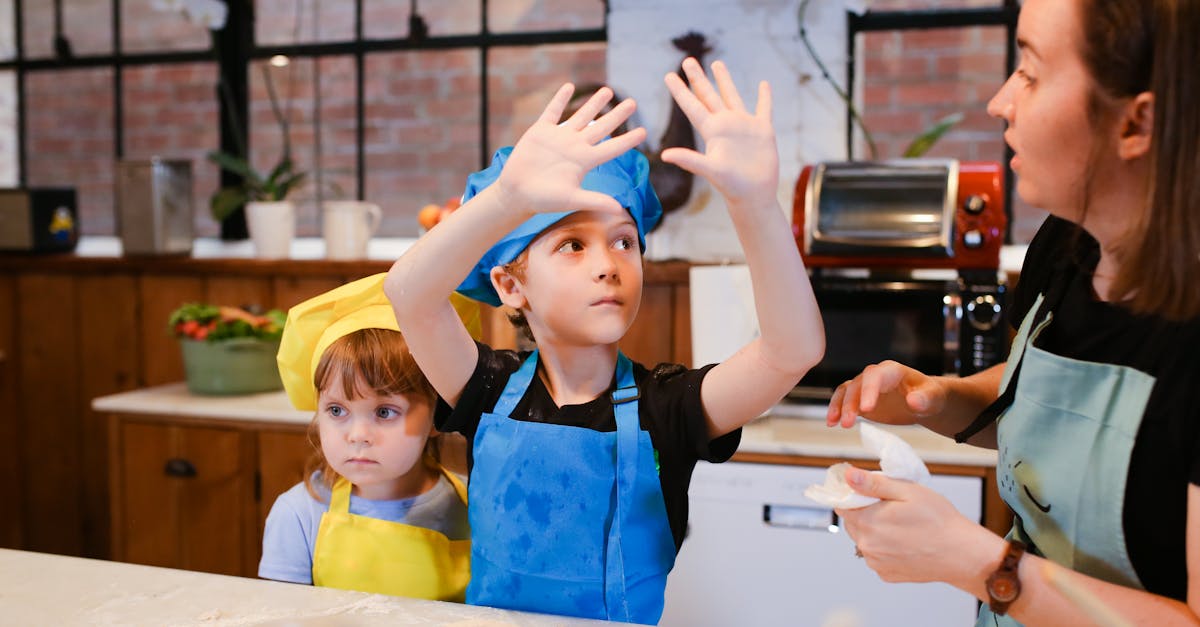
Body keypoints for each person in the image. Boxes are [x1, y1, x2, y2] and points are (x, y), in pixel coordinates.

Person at [385, 58, 824, 623]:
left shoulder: (669, 406)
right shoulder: (486, 387)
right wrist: (508, 201)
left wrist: (758, 208)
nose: (608, 266)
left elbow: (793, 350)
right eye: (572, 244)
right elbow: (409, 294)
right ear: (510, 284)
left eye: (624, 242)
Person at [825, 0, 1200, 624]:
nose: (1000, 101)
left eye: (1029, 70)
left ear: (1136, 124)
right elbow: (1043, 404)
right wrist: (937, 398)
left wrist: (978, 564)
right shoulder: (1067, 246)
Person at [259, 274, 480, 601]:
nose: (358, 436)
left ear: (440, 414)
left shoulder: (478, 507)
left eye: (385, 412)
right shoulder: (299, 514)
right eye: (336, 411)